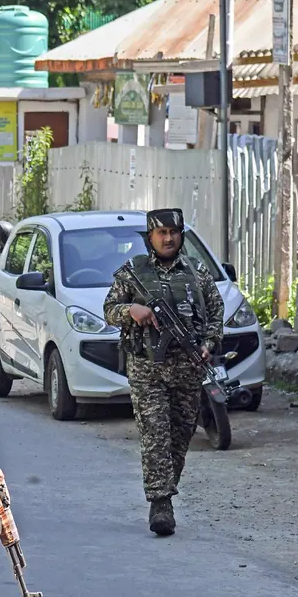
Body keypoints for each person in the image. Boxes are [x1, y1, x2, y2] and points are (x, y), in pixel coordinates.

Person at [103, 207, 222, 536]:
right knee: (155, 436)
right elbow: (109, 310)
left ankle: (165, 491)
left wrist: (209, 344)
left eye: (174, 232)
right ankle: (161, 504)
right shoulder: (132, 272)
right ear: (150, 237)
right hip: (147, 369)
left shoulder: (197, 272)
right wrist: (133, 310)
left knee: (179, 438)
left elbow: (215, 312)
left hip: (188, 369)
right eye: (161, 233)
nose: (168, 238)